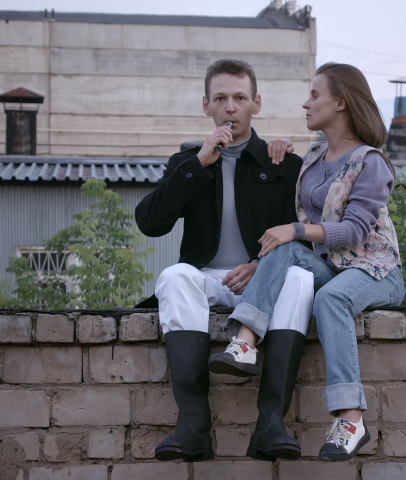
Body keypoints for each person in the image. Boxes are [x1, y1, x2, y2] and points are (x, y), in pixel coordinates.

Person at [208, 62, 404, 462]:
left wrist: (295, 231)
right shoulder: (314, 156)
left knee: (329, 297)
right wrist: (276, 146)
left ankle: (351, 418)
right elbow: (287, 181)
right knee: (281, 246)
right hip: (333, 266)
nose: (306, 103)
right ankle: (245, 342)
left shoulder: (371, 163)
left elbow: (353, 232)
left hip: (376, 270)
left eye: (315, 94)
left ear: (341, 101)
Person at [134, 59, 314, 463]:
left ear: (256, 104)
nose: (230, 106)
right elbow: (149, 223)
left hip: (265, 281)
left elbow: (303, 238)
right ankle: (193, 425)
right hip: (208, 282)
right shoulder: (187, 163)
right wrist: (197, 165)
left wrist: (259, 264)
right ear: (206, 106)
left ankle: (271, 424)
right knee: (175, 275)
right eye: (221, 98)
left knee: (301, 279)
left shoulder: (283, 163)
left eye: (239, 97)